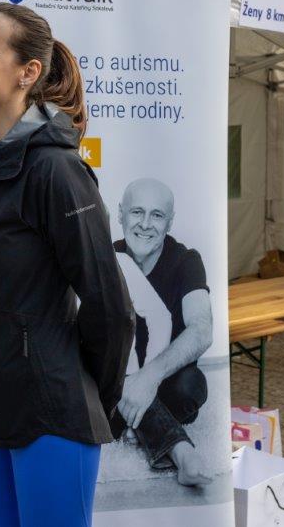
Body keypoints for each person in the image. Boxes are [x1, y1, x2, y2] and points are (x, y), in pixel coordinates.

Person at [0, 2, 135, 527]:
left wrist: (87, 399)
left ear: (28, 72)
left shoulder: (55, 170)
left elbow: (111, 308)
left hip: (50, 417)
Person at [110, 178, 214, 487]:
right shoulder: (107, 258)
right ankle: (179, 449)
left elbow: (202, 329)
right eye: (136, 212)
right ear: (120, 214)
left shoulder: (186, 260)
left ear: (170, 222)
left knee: (190, 386)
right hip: (116, 379)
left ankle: (130, 422)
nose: (145, 224)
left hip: (166, 380)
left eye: (156, 215)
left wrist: (148, 379)